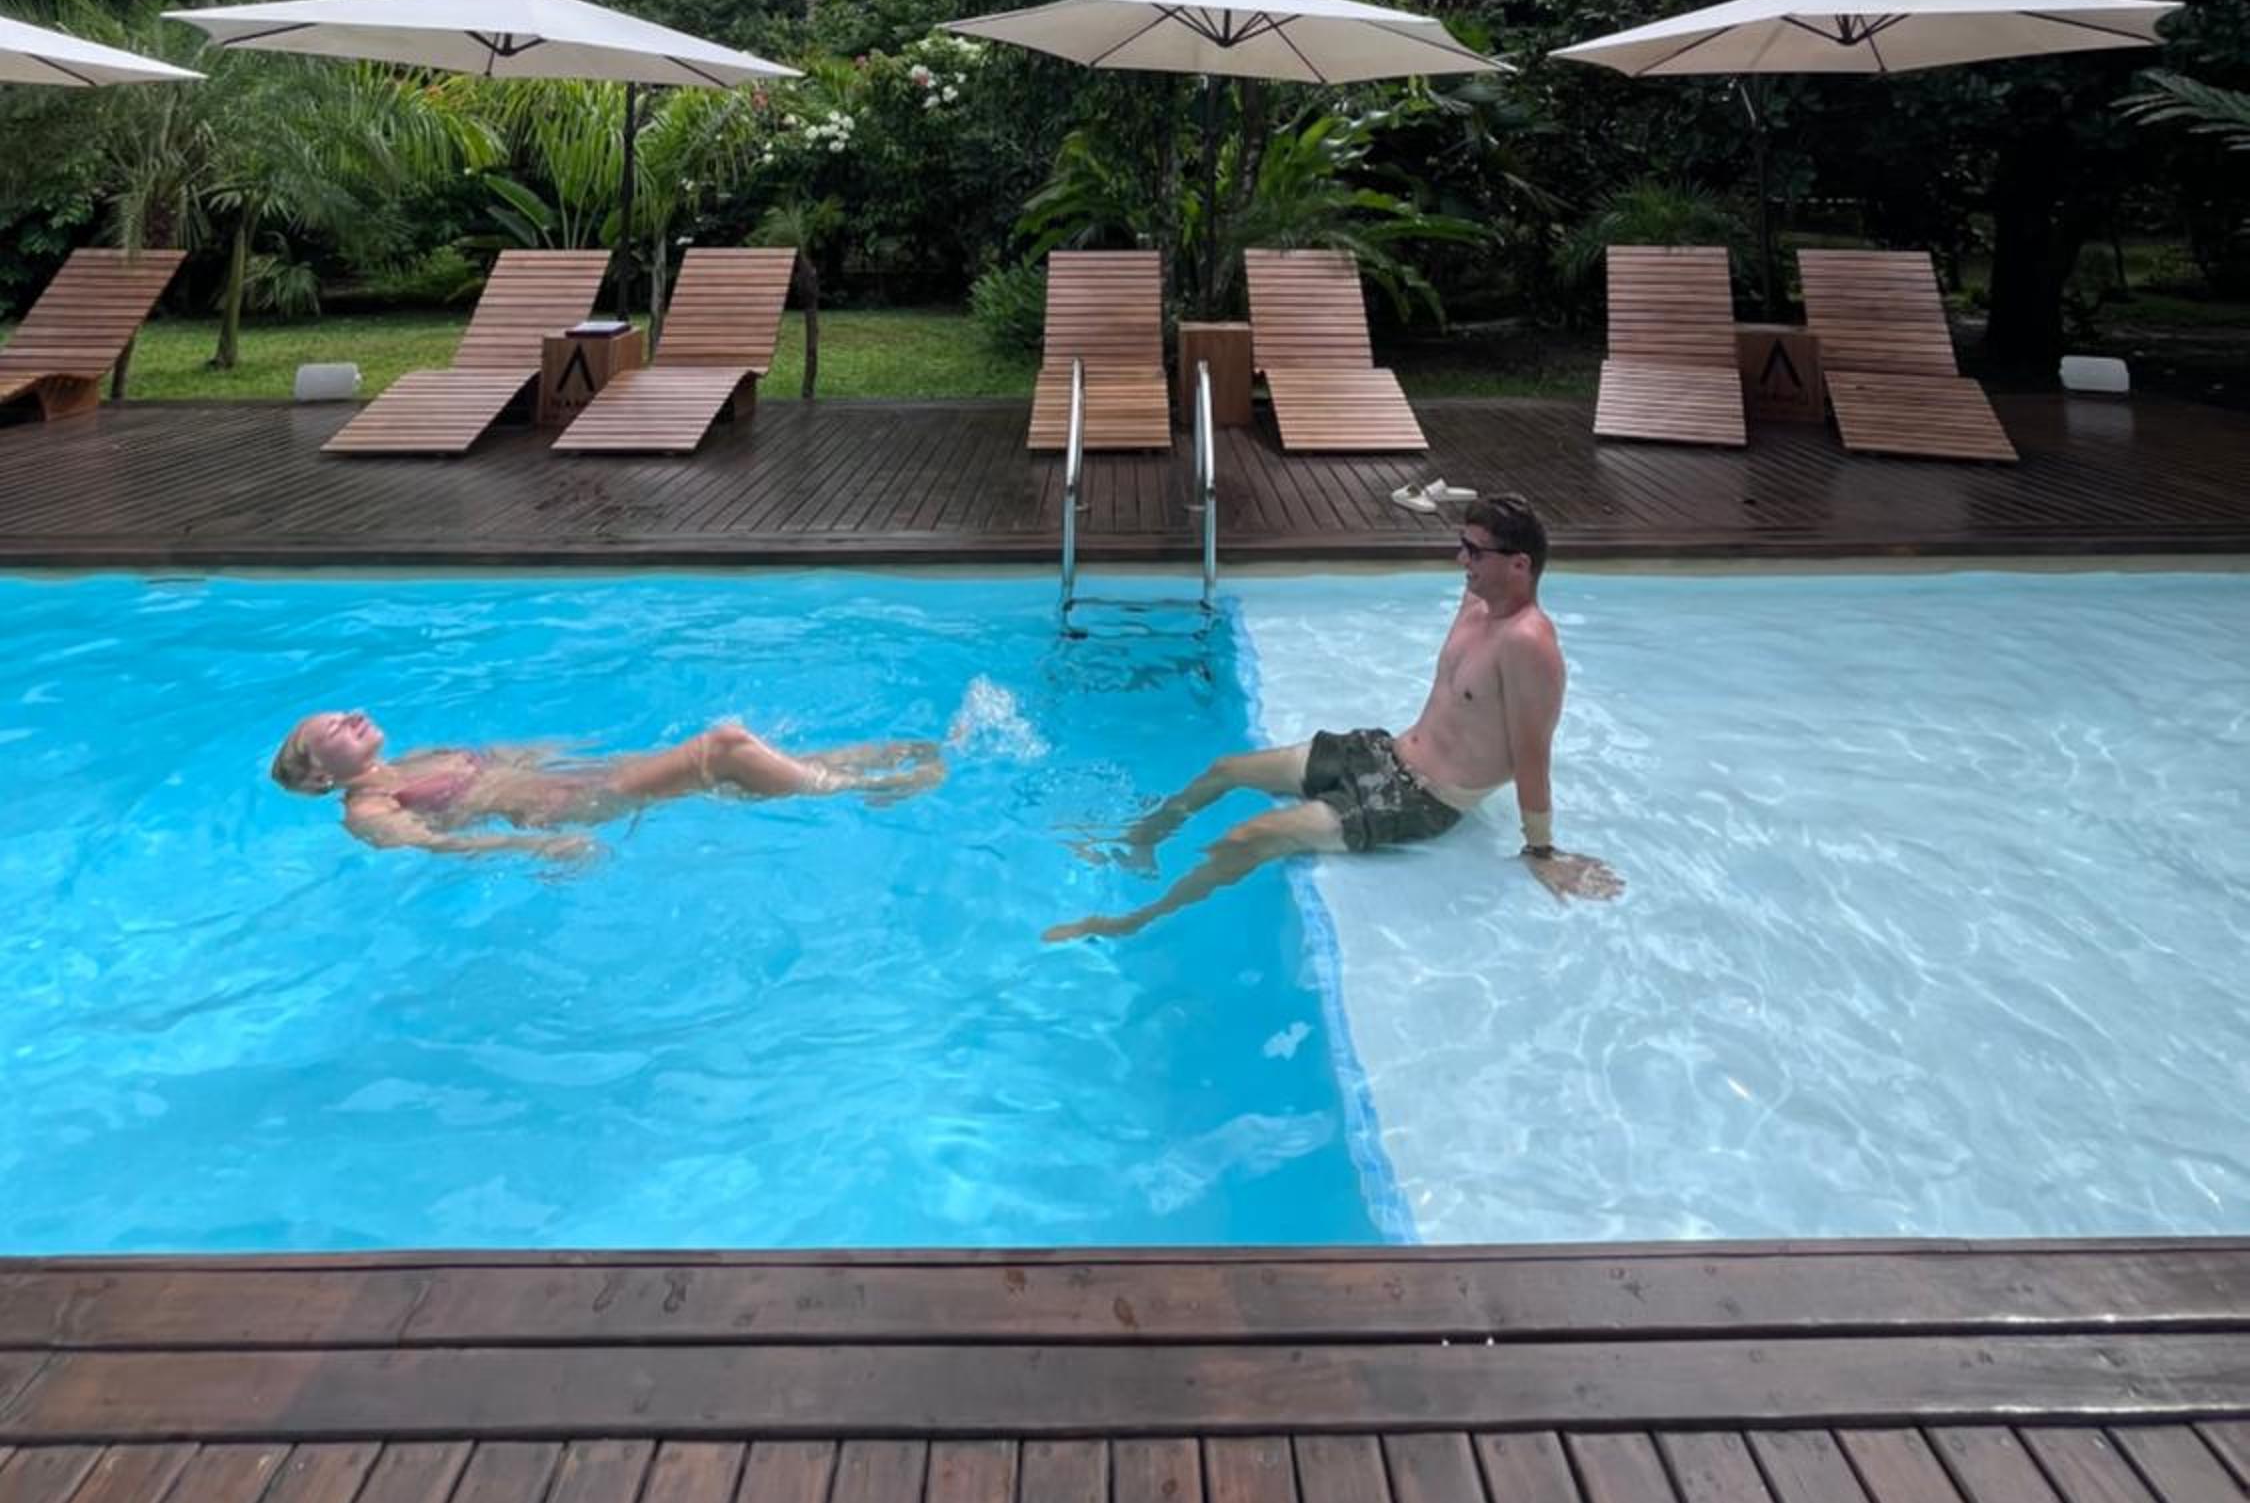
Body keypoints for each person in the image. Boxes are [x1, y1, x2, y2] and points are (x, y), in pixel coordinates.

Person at [1044, 490, 1621, 941]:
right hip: (1382, 751)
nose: (1460, 560)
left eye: (1474, 552)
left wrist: (1541, 850)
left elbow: (1532, 754)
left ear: (1519, 565)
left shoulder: (1529, 644)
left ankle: (1133, 922)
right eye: (1462, 544)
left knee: (1249, 837)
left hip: (1420, 800)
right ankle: (1138, 840)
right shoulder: (1479, 602)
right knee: (1227, 768)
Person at [270, 707, 945, 861]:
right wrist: (537, 847)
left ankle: (862, 764)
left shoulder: (417, 758)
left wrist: (579, 749)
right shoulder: (369, 806)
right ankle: (858, 787)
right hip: (570, 805)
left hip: (580, 776)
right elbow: (438, 846)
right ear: (321, 773)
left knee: (738, 760)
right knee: (726, 746)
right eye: (333, 727)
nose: (353, 715)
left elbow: (508, 756)